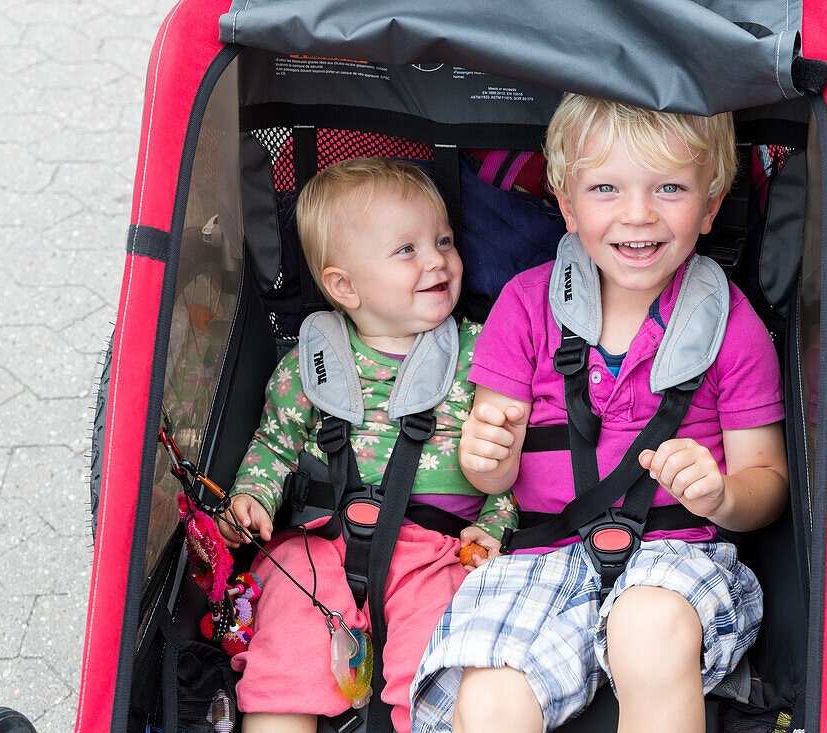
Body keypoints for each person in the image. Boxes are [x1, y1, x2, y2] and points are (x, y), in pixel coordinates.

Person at [410, 95, 789, 733]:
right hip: (544, 556)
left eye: (669, 188)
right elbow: (491, 473)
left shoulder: (731, 325)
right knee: (492, 693)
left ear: (711, 203)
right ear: (566, 202)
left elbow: (769, 484)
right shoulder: (526, 305)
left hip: (678, 558)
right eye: (606, 188)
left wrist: (721, 494)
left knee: (648, 625)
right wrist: (486, 460)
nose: (637, 215)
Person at [219, 157, 515, 733]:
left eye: (444, 241)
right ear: (343, 286)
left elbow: (513, 456)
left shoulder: (486, 354)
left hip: (433, 548)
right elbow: (274, 448)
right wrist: (251, 495)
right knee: (286, 649)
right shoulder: (307, 365)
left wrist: (496, 522)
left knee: (440, 662)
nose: (438, 260)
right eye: (406, 250)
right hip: (317, 543)